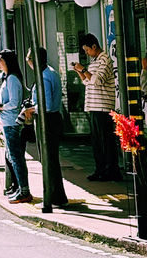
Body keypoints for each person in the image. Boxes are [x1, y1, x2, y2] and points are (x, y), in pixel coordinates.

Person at [74, 33, 122, 182]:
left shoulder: (105, 59)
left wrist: (83, 70)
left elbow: (98, 80)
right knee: (97, 142)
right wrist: (80, 73)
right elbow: (89, 82)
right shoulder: (95, 60)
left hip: (103, 106)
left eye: (87, 50)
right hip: (94, 106)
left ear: (94, 46)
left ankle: (111, 170)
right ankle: (100, 169)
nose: (87, 53)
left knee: (106, 141)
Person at [25, 47, 68, 207]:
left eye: (29, 60)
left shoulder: (43, 77)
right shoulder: (52, 72)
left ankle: (52, 197)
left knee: (48, 160)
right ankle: (57, 196)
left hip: (47, 120)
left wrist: (31, 109)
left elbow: (47, 105)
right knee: (51, 159)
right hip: (53, 119)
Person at [0, 49, 32, 204]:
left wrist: (1, 106)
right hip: (8, 122)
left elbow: (14, 102)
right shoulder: (7, 78)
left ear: (6, 62)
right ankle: (19, 188)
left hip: (12, 122)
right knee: (12, 157)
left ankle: (24, 190)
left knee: (16, 158)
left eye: (0, 59)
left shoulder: (12, 79)